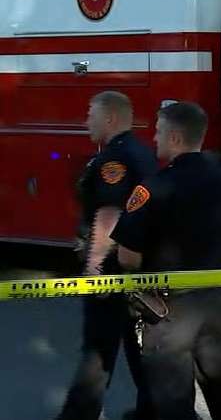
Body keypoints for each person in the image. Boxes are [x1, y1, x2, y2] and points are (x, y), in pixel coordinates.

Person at [111, 101, 221, 420]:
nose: (154, 138)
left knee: (172, 403)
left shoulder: (152, 187)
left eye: (159, 131)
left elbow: (128, 257)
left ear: (175, 138)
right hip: (218, 306)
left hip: (167, 312)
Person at [57, 91, 156, 420]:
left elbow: (110, 214)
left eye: (91, 114)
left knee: (98, 349)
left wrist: (95, 267)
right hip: (138, 266)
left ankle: (80, 415)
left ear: (110, 118)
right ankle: (156, 411)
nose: (87, 120)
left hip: (112, 270)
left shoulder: (114, 160)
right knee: (139, 347)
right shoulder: (142, 153)